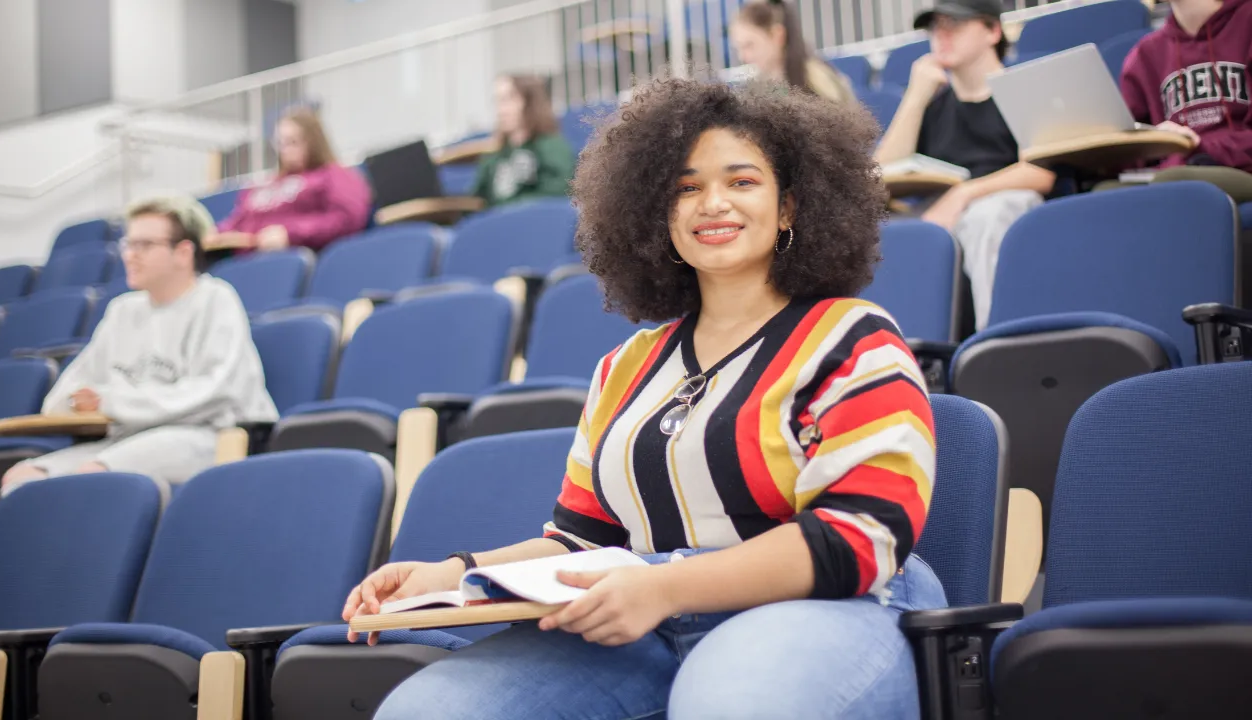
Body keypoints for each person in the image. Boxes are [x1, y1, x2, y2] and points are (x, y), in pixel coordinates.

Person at [348, 78, 945, 720]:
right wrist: (453, 574)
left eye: (742, 181)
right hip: (652, 622)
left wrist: (665, 586)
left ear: (789, 207)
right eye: (685, 189)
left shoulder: (853, 336)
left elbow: (858, 536)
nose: (712, 203)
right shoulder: (623, 367)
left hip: (832, 606)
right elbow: (582, 539)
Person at [0, 196, 278, 493]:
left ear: (183, 252)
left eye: (144, 245)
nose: (130, 255)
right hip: (128, 437)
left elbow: (214, 393)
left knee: (93, 476)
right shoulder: (123, 310)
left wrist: (110, 402)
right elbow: (61, 399)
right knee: (22, 477)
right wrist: (76, 403)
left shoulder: (216, 299)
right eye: (128, 244)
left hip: (208, 434)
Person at [874, 0, 1055, 330]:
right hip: (943, 209)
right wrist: (915, 96)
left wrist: (964, 194)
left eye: (954, 25)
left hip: (1005, 204)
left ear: (992, 31)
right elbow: (879, 175)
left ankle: (993, 342)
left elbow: (1041, 172)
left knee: (988, 216)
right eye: (935, 27)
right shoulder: (934, 105)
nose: (941, 36)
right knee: (884, 229)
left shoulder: (1023, 89)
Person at [1106, 0, 1252, 202]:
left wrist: (1197, 145)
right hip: (1177, 172)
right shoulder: (1146, 53)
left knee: (1174, 183)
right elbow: (1131, 151)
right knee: (1105, 191)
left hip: (1241, 168)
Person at [208, 107, 372, 253]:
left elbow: (347, 219)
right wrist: (216, 234)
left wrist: (289, 234)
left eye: (293, 142)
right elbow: (237, 221)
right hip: (247, 257)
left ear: (313, 141)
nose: (285, 150)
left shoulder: (334, 175)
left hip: (295, 257)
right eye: (281, 143)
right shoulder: (262, 185)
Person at [473, 75, 575, 207]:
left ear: (530, 102)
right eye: (497, 101)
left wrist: (515, 206)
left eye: (508, 99)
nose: (501, 110)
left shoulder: (551, 146)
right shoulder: (495, 154)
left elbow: (559, 190)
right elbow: (477, 199)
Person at [731, 0, 857, 104]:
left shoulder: (816, 78)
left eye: (750, 45)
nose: (743, 56)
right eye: (739, 48)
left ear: (777, 35)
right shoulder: (760, 85)